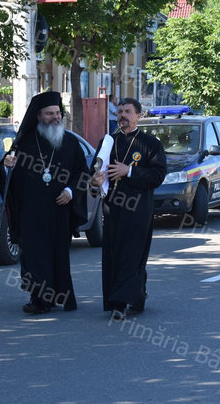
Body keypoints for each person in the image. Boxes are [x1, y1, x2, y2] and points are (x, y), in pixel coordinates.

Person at [0, 91, 89, 315]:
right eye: (50, 113)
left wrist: (70, 191)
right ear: (38, 116)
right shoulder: (25, 143)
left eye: (58, 113)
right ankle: (39, 299)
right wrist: (7, 165)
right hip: (32, 212)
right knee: (35, 255)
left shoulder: (70, 142)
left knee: (58, 255)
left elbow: (83, 173)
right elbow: (8, 172)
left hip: (60, 210)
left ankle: (59, 296)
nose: (56, 117)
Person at [90, 97, 167, 320]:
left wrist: (129, 171)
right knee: (114, 256)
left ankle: (120, 303)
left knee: (131, 256)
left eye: (127, 112)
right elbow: (93, 175)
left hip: (138, 210)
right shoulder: (107, 143)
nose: (122, 115)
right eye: (120, 111)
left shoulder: (151, 144)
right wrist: (94, 182)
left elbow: (157, 176)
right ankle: (136, 296)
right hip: (112, 210)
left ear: (138, 116)